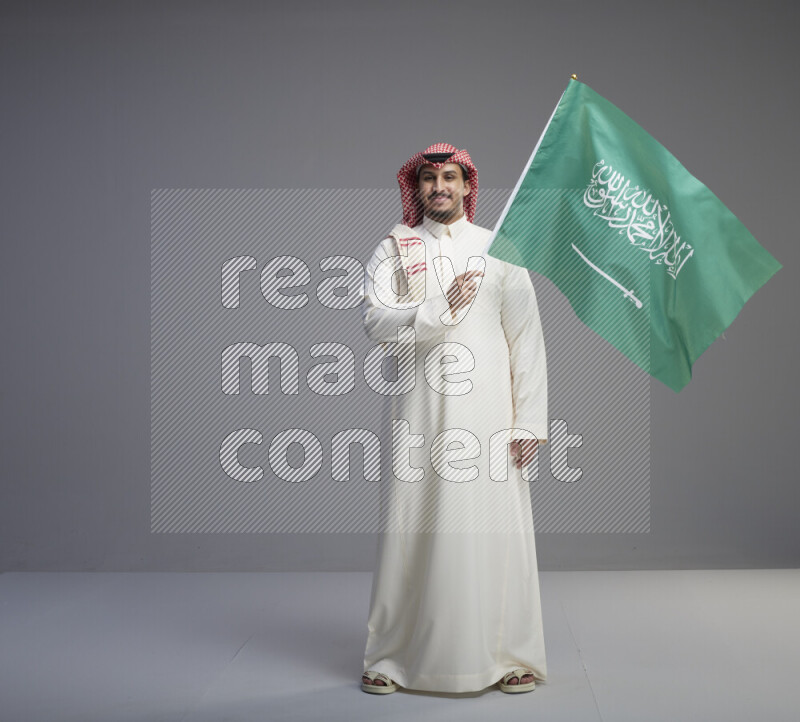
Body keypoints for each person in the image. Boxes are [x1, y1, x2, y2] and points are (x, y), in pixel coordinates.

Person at [359, 143, 548, 695]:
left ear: (467, 186)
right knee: (411, 528)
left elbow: (526, 340)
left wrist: (529, 421)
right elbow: (373, 321)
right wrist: (437, 308)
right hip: (419, 416)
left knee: (495, 532)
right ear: (415, 189)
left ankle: (509, 654)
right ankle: (392, 656)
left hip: (490, 420)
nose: (438, 187)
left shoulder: (501, 248)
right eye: (427, 179)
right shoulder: (396, 248)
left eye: (448, 178)